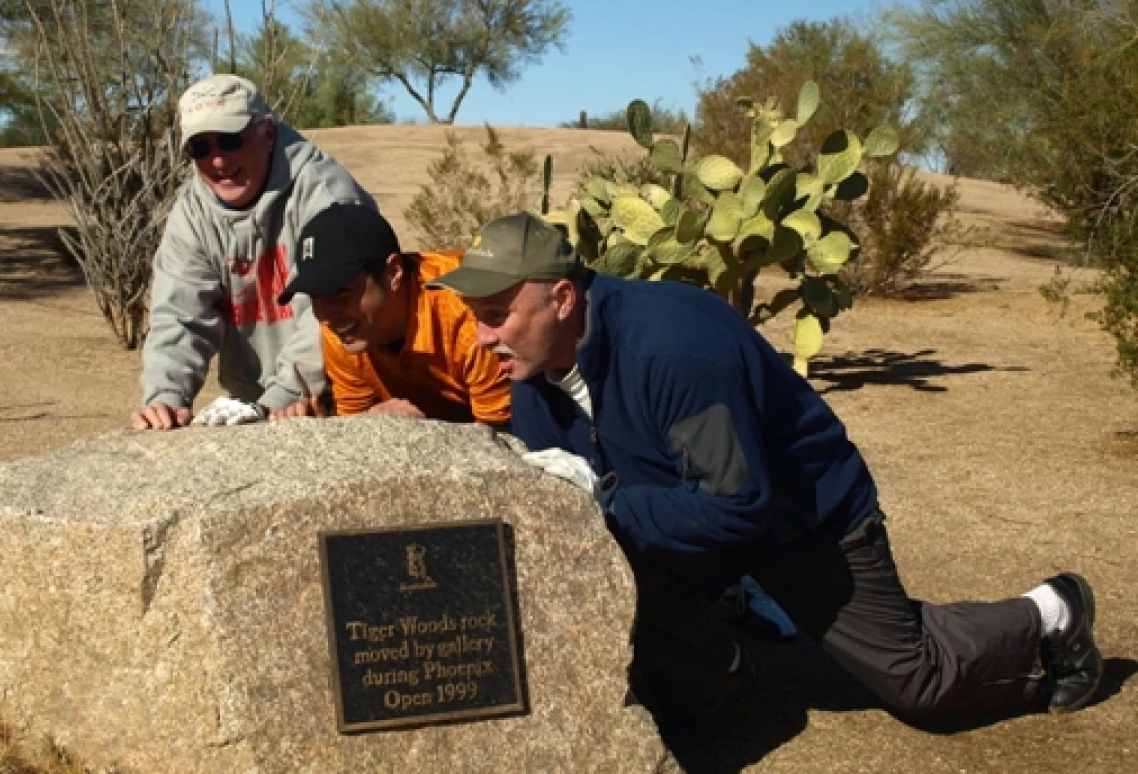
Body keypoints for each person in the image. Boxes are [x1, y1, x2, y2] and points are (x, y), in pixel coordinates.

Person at [429, 211, 1104, 736]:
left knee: (917, 682)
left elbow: (734, 506)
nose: (482, 339)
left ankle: (1053, 610)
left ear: (564, 299)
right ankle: (719, 678)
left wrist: (601, 505)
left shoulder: (673, 350)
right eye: (476, 320)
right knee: (625, 582)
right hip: (690, 517)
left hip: (802, 523)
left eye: (495, 317)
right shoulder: (529, 376)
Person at [130, 74, 376, 430]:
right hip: (255, 400)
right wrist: (165, 397)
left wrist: (279, 399)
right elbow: (179, 313)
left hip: (340, 395)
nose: (217, 161)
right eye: (201, 148)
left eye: (230, 140)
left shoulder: (327, 194)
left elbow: (333, 313)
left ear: (267, 133)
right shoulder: (192, 212)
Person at [274, 202, 510, 426]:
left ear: (393, 273)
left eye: (340, 292)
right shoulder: (343, 330)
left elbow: (504, 444)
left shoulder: (471, 314)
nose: (326, 315)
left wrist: (416, 433)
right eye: (316, 296)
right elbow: (353, 426)